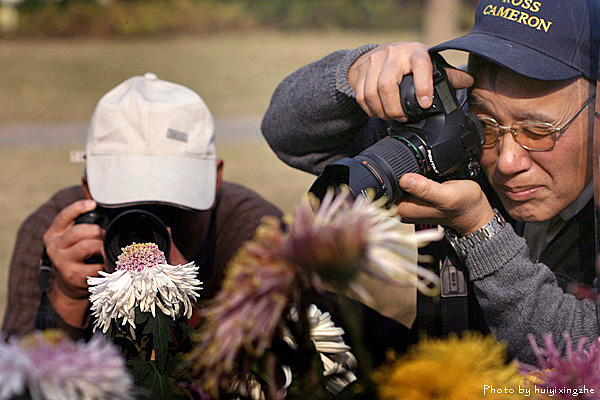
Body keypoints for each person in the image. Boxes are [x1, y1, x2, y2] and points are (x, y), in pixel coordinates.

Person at [261, 0, 600, 363]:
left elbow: (585, 355)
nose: (506, 161)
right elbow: (289, 134)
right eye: (485, 125)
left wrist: (479, 229)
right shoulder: (457, 137)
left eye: (537, 131)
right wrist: (359, 72)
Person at [2, 73, 283, 341]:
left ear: (214, 180)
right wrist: (67, 299)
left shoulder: (255, 234)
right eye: (127, 206)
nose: (153, 229)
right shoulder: (55, 235)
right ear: (90, 190)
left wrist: (189, 311)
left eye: (175, 207)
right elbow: (19, 379)